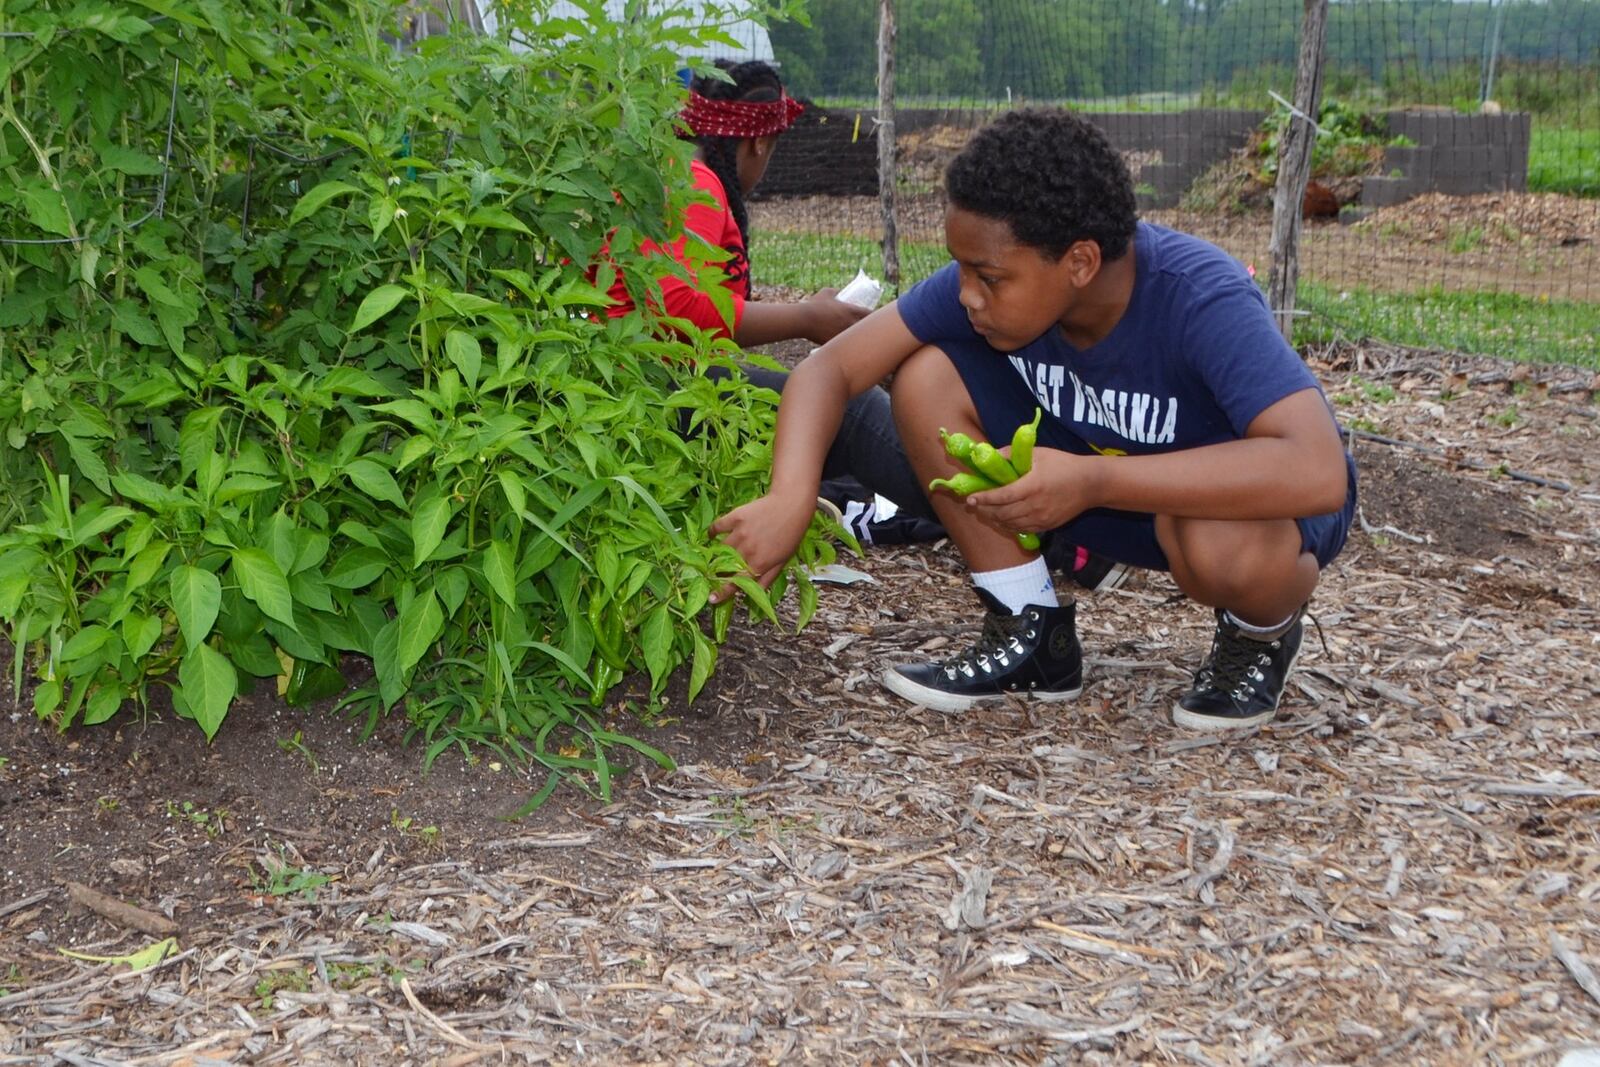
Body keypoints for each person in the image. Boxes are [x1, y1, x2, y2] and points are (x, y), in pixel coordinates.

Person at [710, 108, 1358, 732]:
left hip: (1233, 515)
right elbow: (829, 369)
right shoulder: (995, 284)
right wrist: (790, 497)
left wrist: (1094, 482)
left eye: (988, 277)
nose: (967, 293)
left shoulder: (1198, 296)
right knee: (925, 375)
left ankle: (1259, 632)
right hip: (1093, 494)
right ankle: (1030, 630)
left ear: (1079, 262)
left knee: (1213, 545)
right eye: (962, 268)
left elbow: (1316, 469)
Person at [604, 59, 941, 544]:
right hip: (656, 384)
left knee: (815, 426)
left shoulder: (664, 172)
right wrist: (805, 318)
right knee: (848, 407)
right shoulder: (694, 183)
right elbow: (673, 306)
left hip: (640, 378)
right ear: (759, 142)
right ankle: (992, 512)